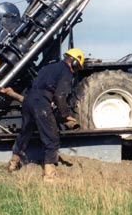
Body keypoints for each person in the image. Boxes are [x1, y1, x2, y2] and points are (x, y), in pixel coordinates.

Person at [8, 48, 85, 183]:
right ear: (73, 63)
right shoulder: (66, 72)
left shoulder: (48, 67)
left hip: (28, 101)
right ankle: (50, 176)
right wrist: (66, 115)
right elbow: (60, 96)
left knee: (25, 133)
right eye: (77, 67)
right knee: (52, 137)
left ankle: (13, 163)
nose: (75, 70)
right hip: (40, 104)